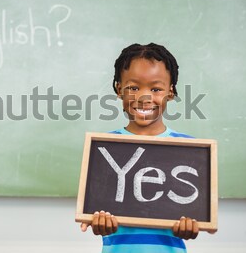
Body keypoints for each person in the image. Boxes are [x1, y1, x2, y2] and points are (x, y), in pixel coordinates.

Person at [80, 43, 200, 252]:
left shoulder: (188, 150)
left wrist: (192, 225)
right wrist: (98, 222)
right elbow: (97, 209)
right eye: (134, 88)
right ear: (119, 89)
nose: (144, 97)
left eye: (156, 89)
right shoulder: (104, 149)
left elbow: (193, 214)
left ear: (170, 92)